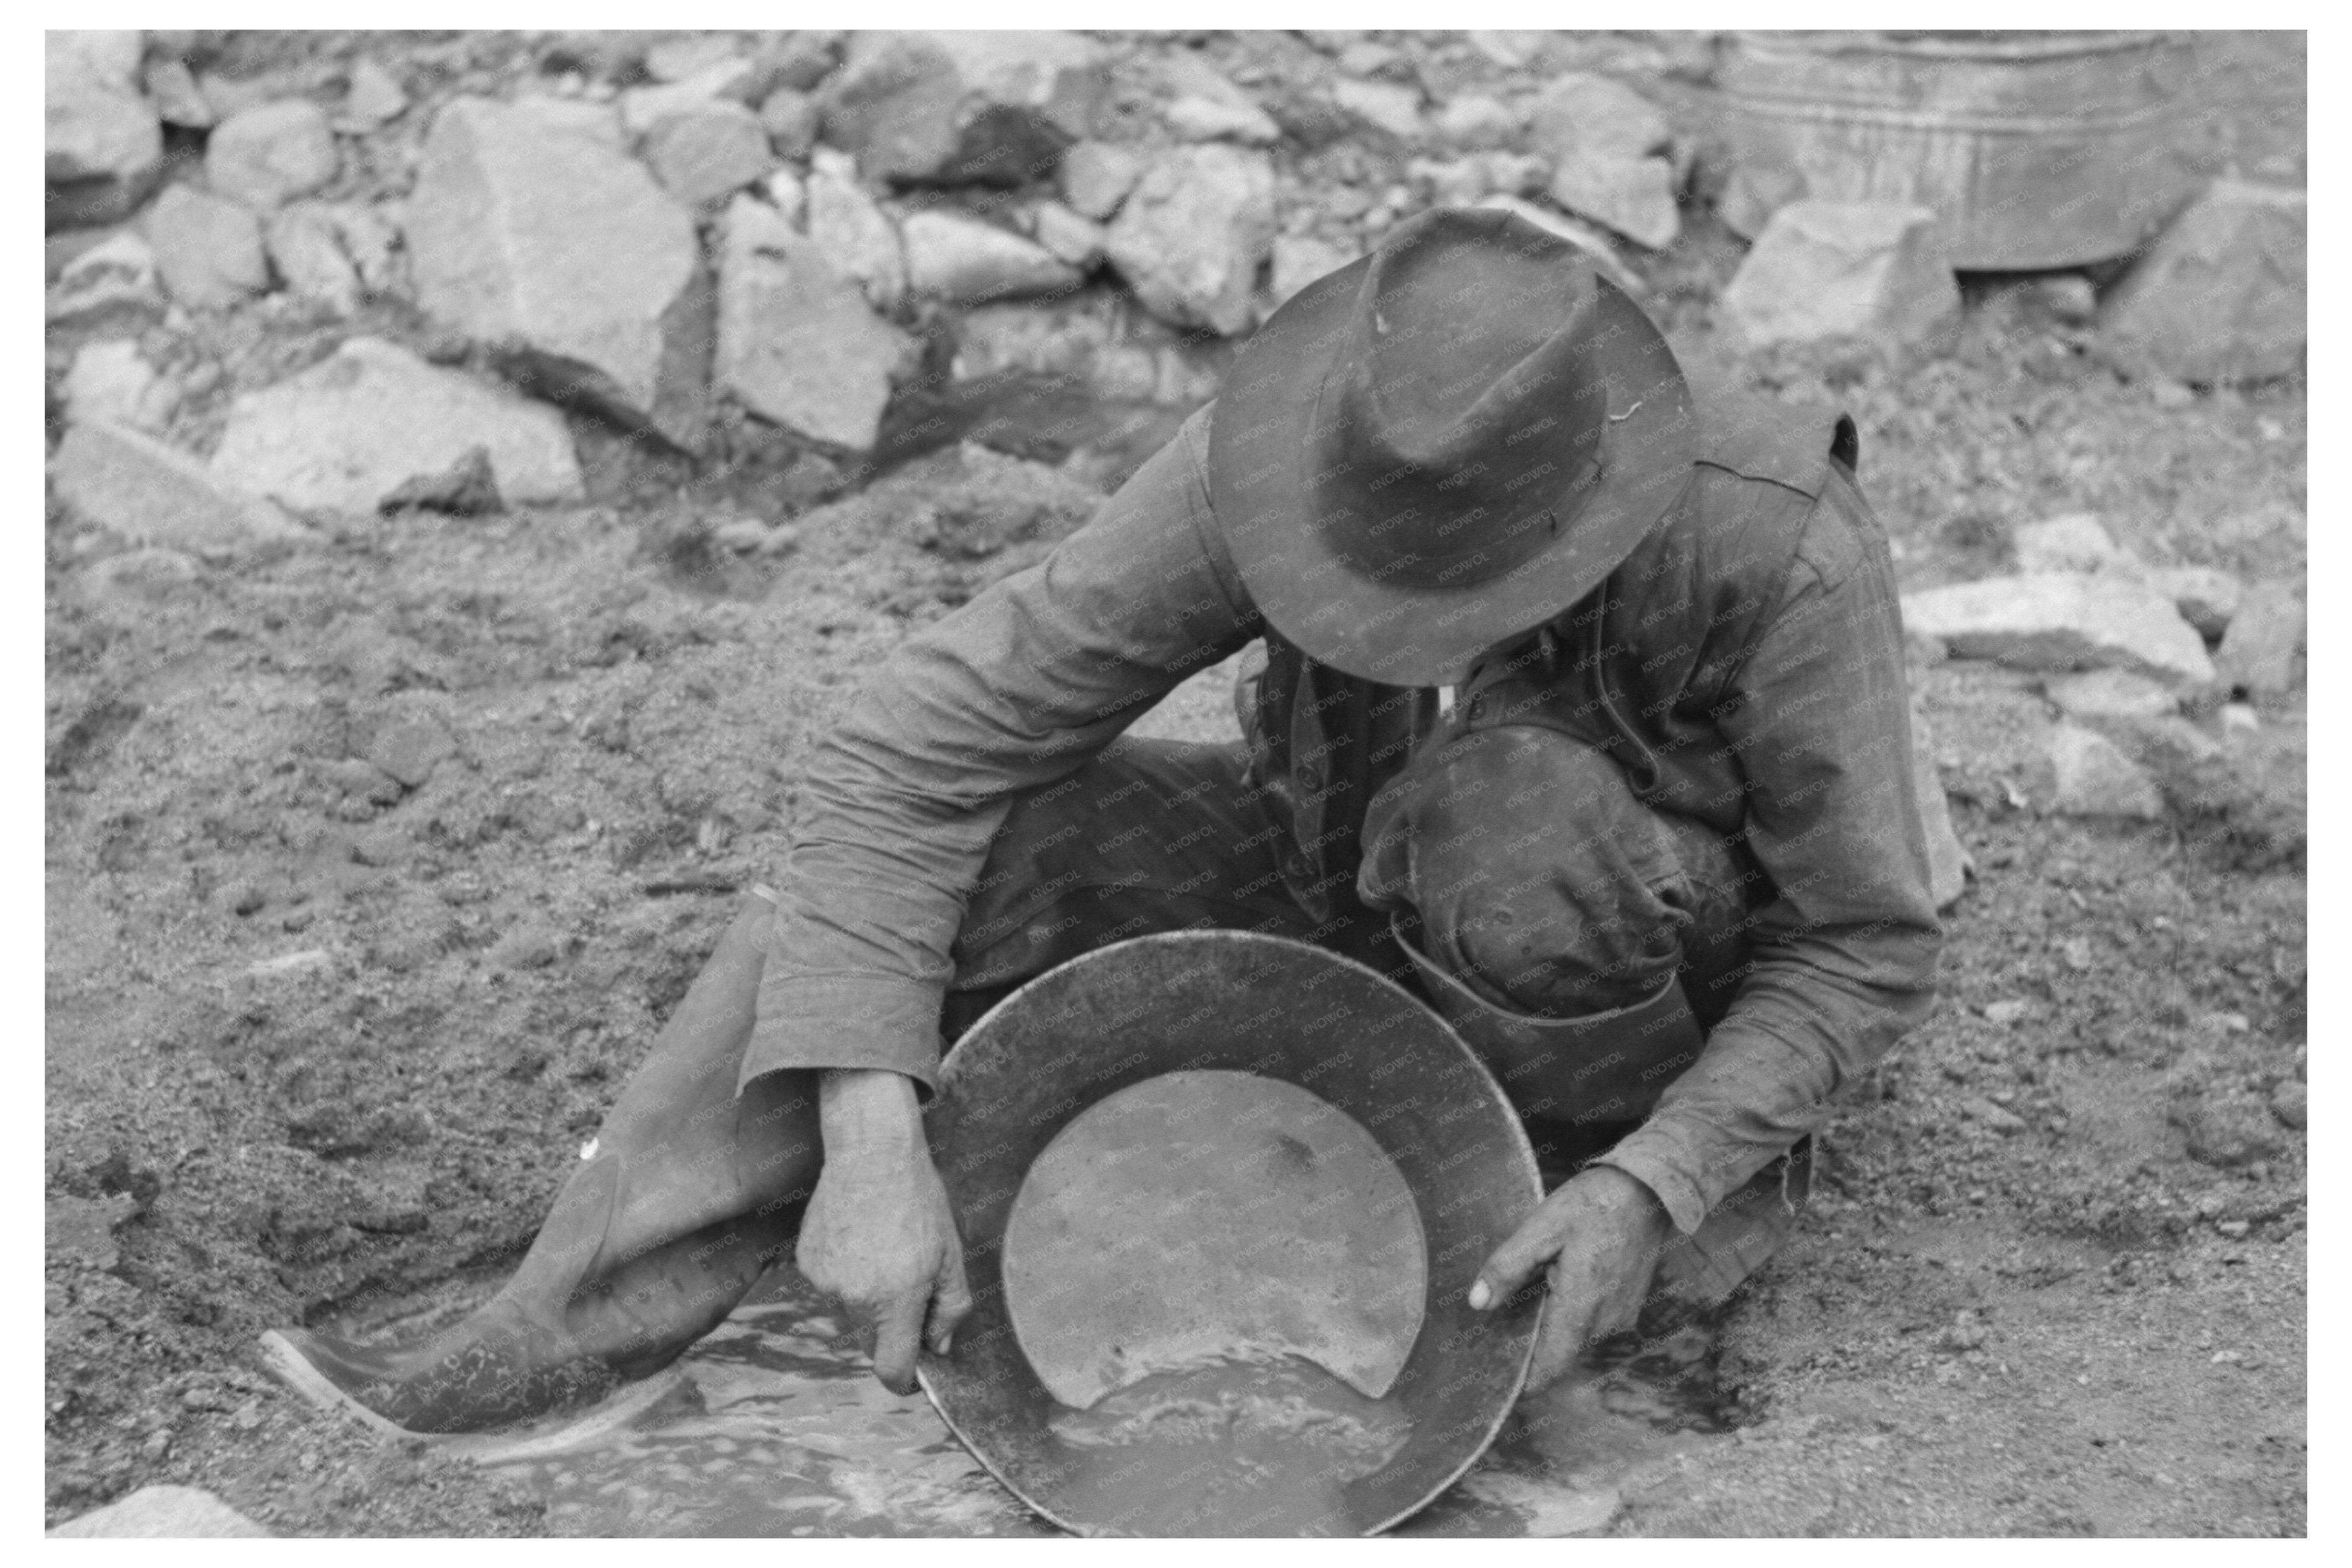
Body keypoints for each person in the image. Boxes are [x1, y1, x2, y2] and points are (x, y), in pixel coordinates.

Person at [264, 207, 1940, 1436]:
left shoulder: (1773, 545)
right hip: (1345, 883)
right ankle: (588, 1313)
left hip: (1623, 991)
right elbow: (911, 747)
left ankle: (1524, 1230)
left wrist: (1658, 1181)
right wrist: (868, 1135)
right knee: (991, 834)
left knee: (1507, 816)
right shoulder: (1293, 460)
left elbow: (1863, 944)